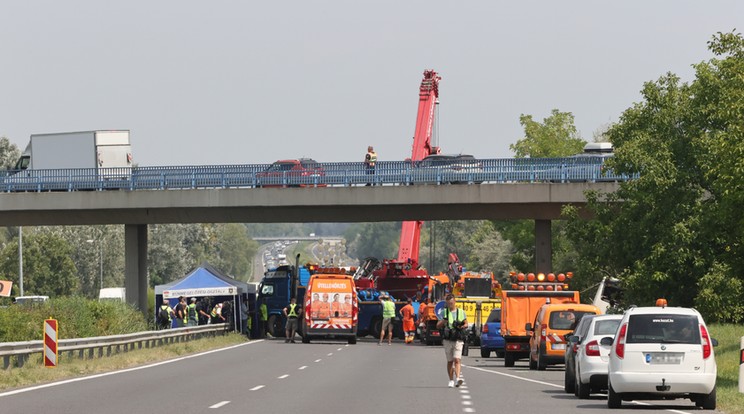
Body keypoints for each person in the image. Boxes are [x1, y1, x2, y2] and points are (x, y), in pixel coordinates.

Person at [437, 294, 468, 388]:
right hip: (448, 339)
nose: (450, 305)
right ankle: (451, 380)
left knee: (457, 359)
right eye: (448, 303)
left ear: (455, 302)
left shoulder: (461, 312)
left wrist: (461, 325)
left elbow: (466, 323)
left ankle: (458, 378)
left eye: (451, 303)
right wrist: (444, 321)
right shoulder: (444, 312)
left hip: (458, 338)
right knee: (450, 361)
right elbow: (438, 326)